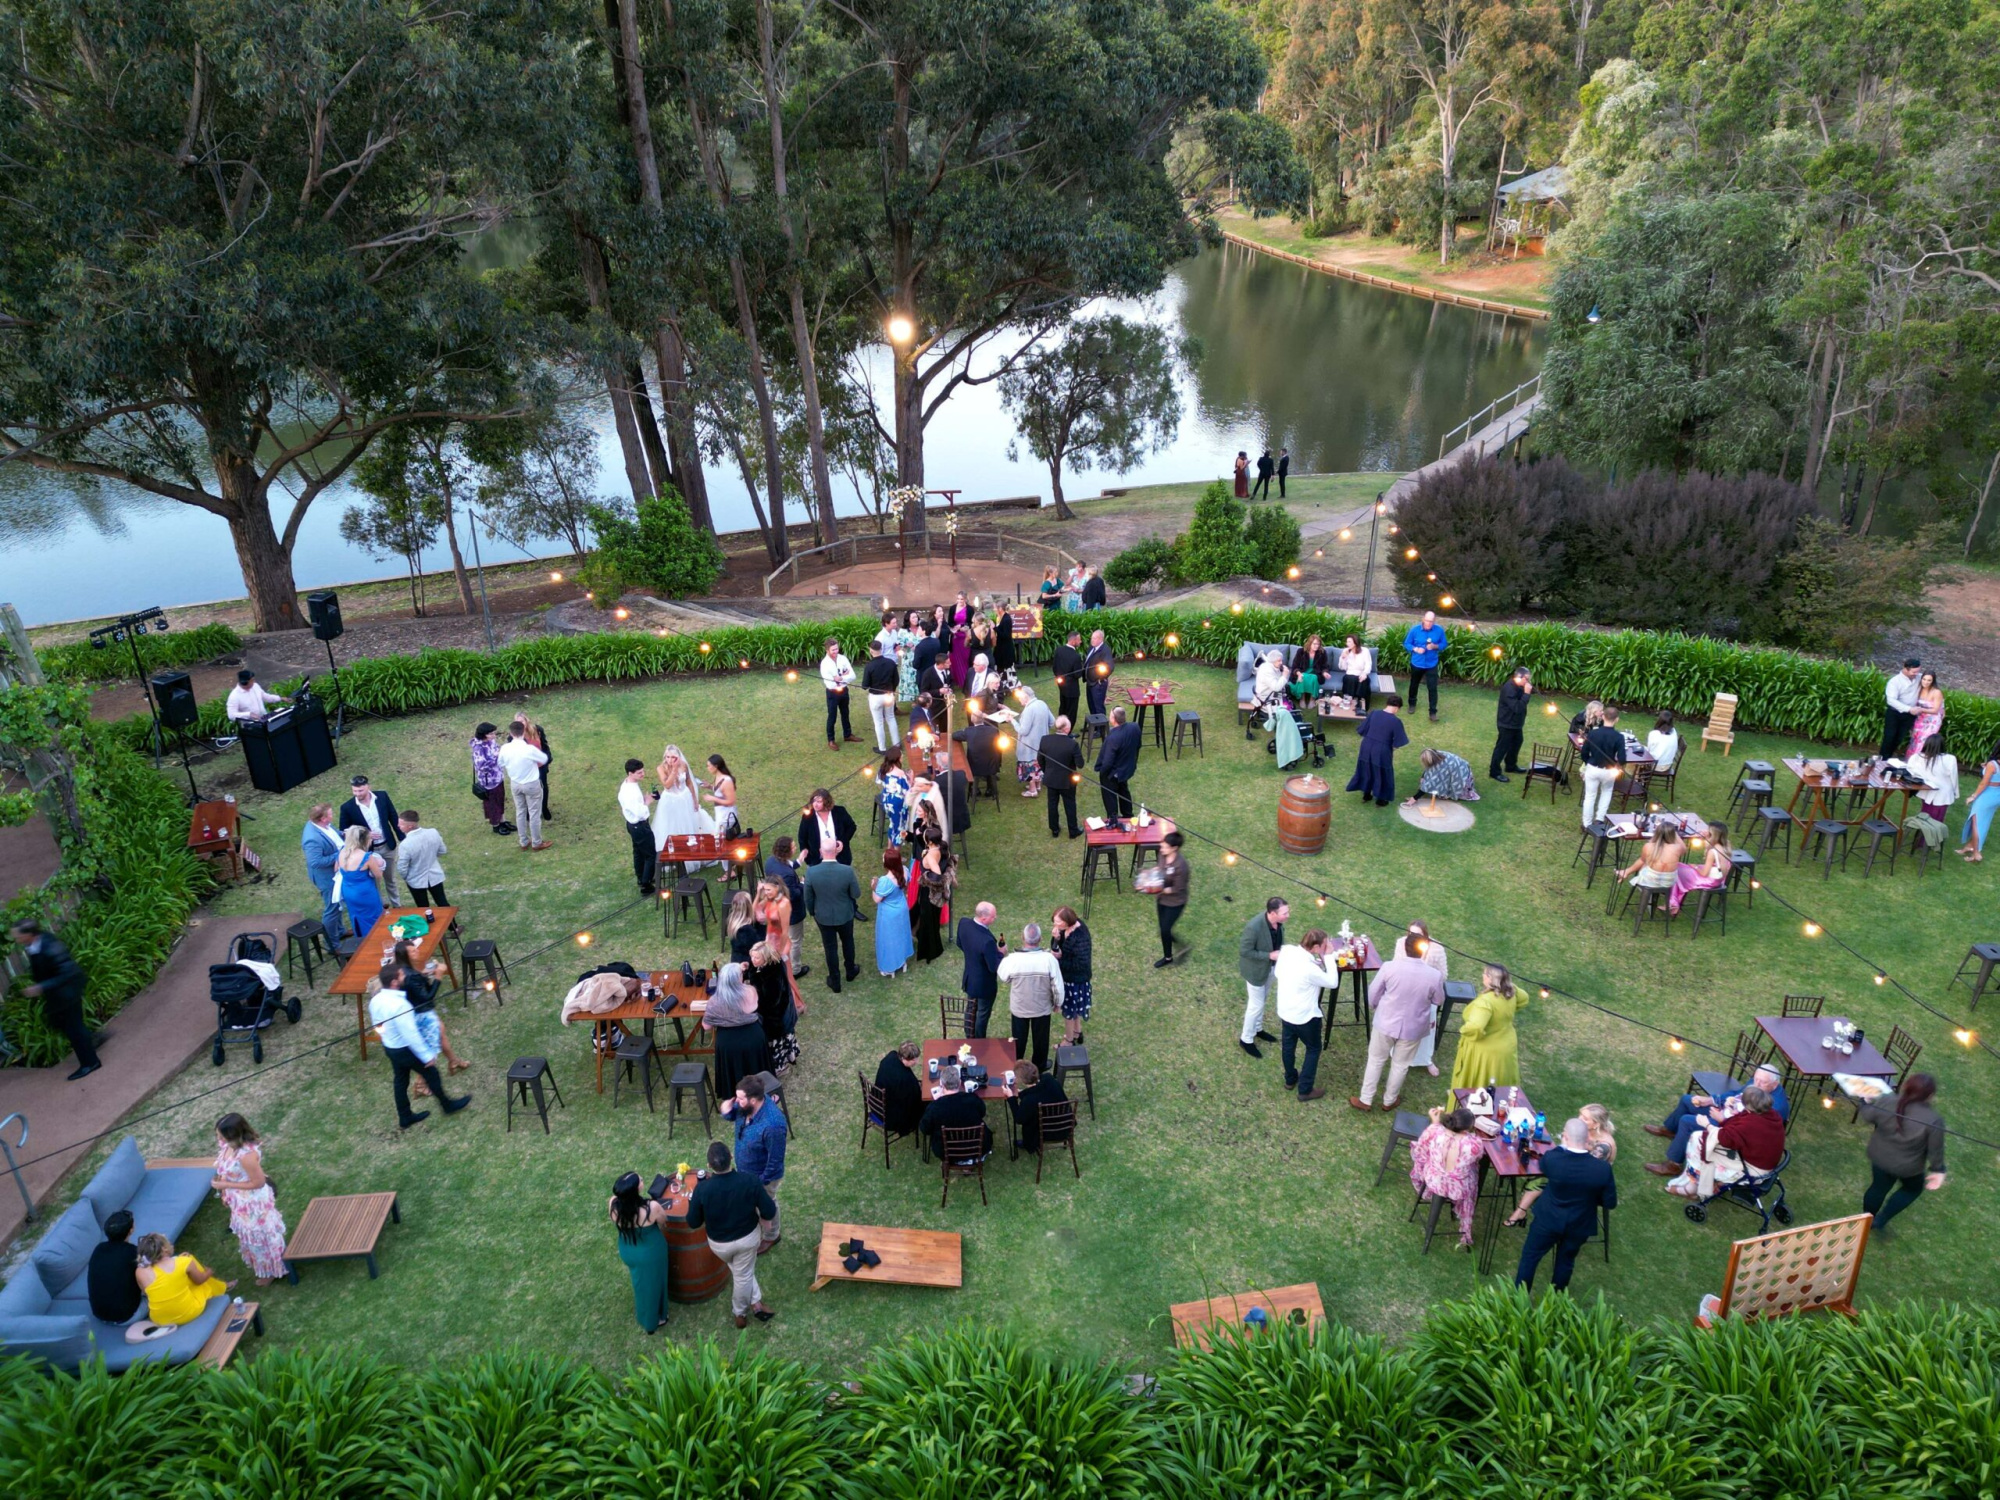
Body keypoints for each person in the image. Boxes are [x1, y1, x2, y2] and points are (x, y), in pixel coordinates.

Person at [1514, 1118, 1617, 1293]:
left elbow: (1544, 1164)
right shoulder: (1602, 1169)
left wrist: (1562, 1146)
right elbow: (1610, 1202)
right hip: (1579, 1223)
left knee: (1530, 1258)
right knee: (1566, 1261)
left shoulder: (1553, 1159)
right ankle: (1555, 1301)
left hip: (1548, 1220)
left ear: (1565, 1136)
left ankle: (1519, 1301)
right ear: (1587, 1140)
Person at [684, 1142, 777, 1328]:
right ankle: (740, 1313)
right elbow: (769, 1210)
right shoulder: (750, 1181)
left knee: (741, 1270)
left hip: (719, 1246)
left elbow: (693, 1222)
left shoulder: (702, 1190)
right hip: (747, 1241)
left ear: (709, 1166)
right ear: (732, 1158)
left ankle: (756, 1303)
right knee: (743, 1274)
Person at [1348, 935, 1446, 1111]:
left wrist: (1375, 1006)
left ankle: (1366, 1099)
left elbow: (1373, 993)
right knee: (1401, 1065)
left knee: (1376, 1060)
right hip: (1413, 1028)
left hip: (1385, 1022)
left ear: (1405, 948)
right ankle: (1389, 1100)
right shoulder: (1434, 975)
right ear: (1423, 950)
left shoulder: (1389, 967)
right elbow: (1439, 1000)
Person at [1845, 1072, 1946, 1235]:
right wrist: (1938, 1170)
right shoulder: (1933, 1119)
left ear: (1906, 1086)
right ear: (1930, 1096)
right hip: (1908, 1167)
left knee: (1878, 1188)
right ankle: (1880, 1219)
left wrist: (1865, 1101)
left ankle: (1866, 1220)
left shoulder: (1887, 1101)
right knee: (1912, 1189)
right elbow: (1935, 1149)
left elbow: (1867, 1115)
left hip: (1880, 1158)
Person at [370, 964, 469, 1127]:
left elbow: (378, 1024)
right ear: (395, 982)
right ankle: (447, 1105)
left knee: (400, 1081)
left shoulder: (376, 1000)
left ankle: (405, 1116)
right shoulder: (401, 1006)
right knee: (432, 1074)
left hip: (390, 1047)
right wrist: (426, 1055)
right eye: (401, 976)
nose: (404, 977)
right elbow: (411, 1034)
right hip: (404, 1048)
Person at [1644, 1064, 1790, 1171]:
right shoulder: (1758, 1083)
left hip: (1728, 1126)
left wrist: (1722, 1119)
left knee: (1687, 1121)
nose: (1756, 1084)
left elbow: (1745, 1130)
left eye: (1762, 1082)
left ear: (1775, 1084)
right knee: (1687, 1099)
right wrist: (1711, 1100)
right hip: (1725, 1111)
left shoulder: (1775, 1107)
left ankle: (1673, 1164)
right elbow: (1736, 1093)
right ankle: (1670, 1129)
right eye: (1756, 1079)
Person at [11, 919, 102, 1080]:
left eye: (18, 936)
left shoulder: (49, 947)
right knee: (58, 1022)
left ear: (29, 935)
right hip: (59, 994)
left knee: (73, 1028)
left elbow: (67, 972)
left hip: (68, 991)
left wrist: (41, 987)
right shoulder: (35, 944)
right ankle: (89, 1040)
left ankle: (90, 1062)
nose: (16, 939)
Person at [1661, 1084, 1785, 1199]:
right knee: (1704, 1141)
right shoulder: (1770, 1114)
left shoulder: (1751, 1123)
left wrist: (1707, 1123)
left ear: (1748, 1107)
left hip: (1752, 1170)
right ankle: (1705, 1186)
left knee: (1700, 1143)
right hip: (1758, 1160)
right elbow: (1737, 1130)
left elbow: (1725, 1138)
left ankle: (1692, 1189)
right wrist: (1722, 1119)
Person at [1506, 1104, 1615, 1227]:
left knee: (1544, 1175)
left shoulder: (1603, 1147)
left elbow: (1586, 1169)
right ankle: (1522, 1210)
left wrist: (1563, 1150)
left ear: (1596, 1124)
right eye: (1580, 1114)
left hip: (1587, 1185)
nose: (1579, 1119)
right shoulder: (1587, 1131)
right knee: (1543, 1169)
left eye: (1585, 1118)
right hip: (1575, 1169)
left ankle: (1526, 1212)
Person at [210, 1113, 287, 1284]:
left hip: (253, 1203)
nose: (218, 1138)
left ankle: (272, 1270)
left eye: (221, 1135)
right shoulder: (227, 1145)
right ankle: (263, 1267)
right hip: (238, 1201)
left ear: (233, 1135)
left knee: (260, 1236)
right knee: (249, 1237)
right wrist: (225, 1190)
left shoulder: (247, 1156)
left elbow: (258, 1182)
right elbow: (224, 1169)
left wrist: (227, 1186)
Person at [719, 1074, 787, 1251]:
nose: (736, 1101)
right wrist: (727, 1111)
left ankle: (772, 1235)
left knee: (768, 1203)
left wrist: (760, 1183)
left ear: (754, 1100)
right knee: (752, 1203)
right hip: (746, 1171)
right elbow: (733, 1114)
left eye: (740, 1099)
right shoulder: (746, 1106)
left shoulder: (773, 1125)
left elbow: (775, 1161)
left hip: (762, 1176)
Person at [1274, 929, 1342, 1102]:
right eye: (1326, 945)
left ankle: (1290, 1079)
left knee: (1288, 1047)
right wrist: (1328, 957)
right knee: (1313, 1049)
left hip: (1286, 1011)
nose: (1329, 947)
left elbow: (1277, 973)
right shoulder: (1309, 969)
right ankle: (1305, 1089)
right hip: (1305, 1017)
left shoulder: (1287, 952)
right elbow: (1332, 982)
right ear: (1316, 946)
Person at [127, 1233, 230, 1342]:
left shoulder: (139, 1272)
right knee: (197, 1276)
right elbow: (200, 1281)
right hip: (188, 1312)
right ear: (164, 1249)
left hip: (160, 1319)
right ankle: (222, 1288)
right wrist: (209, 1272)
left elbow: (147, 1293)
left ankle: (223, 1286)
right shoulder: (184, 1262)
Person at [1410, 1107, 1486, 1249]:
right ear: (1468, 1127)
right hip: (1458, 1188)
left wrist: (1435, 1122)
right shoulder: (1474, 1144)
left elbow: (1421, 1146)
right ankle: (1463, 1216)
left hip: (1434, 1179)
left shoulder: (1434, 1132)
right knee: (1474, 1172)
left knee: (1433, 1161)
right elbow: (1477, 1158)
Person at [608, 1172, 672, 1333]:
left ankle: (647, 1311)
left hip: (628, 1248)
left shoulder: (613, 1204)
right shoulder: (652, 1207)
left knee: (640, 1282)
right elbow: (664, 1222)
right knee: (655, 1283)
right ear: (637, 1189)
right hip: (650, 1253)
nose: (643, 1180)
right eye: (641, 1180)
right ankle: (654, 1320)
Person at [396, 939, 468, 1079]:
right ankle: (420, 1084)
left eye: (415, 948)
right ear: (405, 956)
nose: (417, 951)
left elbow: (416, 989)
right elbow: (427, 997)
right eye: (412, 951)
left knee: (440, 1033)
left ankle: (453, 1061)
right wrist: (438, 976)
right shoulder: (411, 976)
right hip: (421, 1014)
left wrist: (424, 975)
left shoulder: (406, 970)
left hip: (416, 1011)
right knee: (430, 1047)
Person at [998, 921, 1064, 1072]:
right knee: (1041, 1038)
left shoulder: (1013, 960)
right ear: (1040, 939)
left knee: (1018, 1037)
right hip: (1041, 1007)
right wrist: (1057, 1003)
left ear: (1023, 938)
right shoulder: (1049, 960)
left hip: (1019, 1007)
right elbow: (1058, 986)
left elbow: (1003, 976)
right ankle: (1040, 1064)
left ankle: (1017, 1062)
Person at [1450, 963, 1527, 1091]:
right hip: (1506, 1047)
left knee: (1479, 1082)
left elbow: (1475, 1027)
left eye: (1485, 974)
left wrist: (1463, 1030)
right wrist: (1507, 984)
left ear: (1491, 979)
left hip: (1485, 1053)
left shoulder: (1485, 1002)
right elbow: (1524, 998)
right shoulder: (1511, 993)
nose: (1482, 975)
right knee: (1500, 1084)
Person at [704, 962, 774, 1099]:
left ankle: (734, 1094)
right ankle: (760, 1092)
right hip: (753, 1038)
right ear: (738, 979)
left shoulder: (714, 1001)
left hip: (728, 1043)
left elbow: (706, 1027)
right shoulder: (750, 991)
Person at [803, 841, 863, 991]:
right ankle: (850, 971)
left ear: (820, 851)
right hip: (845, 914)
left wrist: (813, 911)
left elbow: (808, 898)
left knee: (830, 948)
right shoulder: (847, 871)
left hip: (823, 917)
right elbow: (856, 893)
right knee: (848, 941)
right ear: (836, 851)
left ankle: (835, 981)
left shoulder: (811, 872)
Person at [1394, 922, 1449, 1076]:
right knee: (1403, 1024)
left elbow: (1443, 975)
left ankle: (1425, 1059)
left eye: (1418, 935)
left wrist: (1427, 977)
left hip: (1427, 995)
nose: (1413, 938)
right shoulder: (1401, 944)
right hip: (1405, 992)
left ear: (1425, 935)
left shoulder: (1437, 949)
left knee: (1427, 1028)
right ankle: (1398, 1055)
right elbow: (1397, 966)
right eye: (1411, 934)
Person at [1237, 897, 1288, 1058]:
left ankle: (1257, 1029)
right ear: (1273, 913)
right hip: (1256, 972)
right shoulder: (1254, 927)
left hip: (1270, 969)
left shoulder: (1278, 924)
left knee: (1262, 1001)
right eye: (1284, 913)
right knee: (1256, 1005)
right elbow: (1245, 951)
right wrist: (1269, 955)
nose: (1288, 915)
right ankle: (1246, 1039)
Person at [339, 775, 403, 902]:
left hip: (387, 845)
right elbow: (345, 831)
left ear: (368, 787)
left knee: (391, 879)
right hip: (368, 851)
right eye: (355, 791)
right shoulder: (347, 807)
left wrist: (403, 838)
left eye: (361, 790)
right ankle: (381, 907)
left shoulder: (382, 797)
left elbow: (393, 816)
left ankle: (397, 905)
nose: (358, 794)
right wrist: (366, 834)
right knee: (374, 881)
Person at [652, 743, 715, 860]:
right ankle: (677, 855)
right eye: (667, 757)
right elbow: (667, 785)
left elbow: (689, 783)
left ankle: (692, 852)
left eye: (673, 757)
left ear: (678, 757)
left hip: (684, 798)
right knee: (672, 825)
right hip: (670, 801)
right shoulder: (661, 768)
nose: (670, 760)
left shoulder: (684, 765)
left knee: (689, 823)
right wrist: (674, 770)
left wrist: (694, 800)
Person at [1345, 694, 1409, 807]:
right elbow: (1399, 742)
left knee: (1366, 768)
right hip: (1382, 750)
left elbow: (1362, 730)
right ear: (1397, 707)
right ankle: (1381, 800)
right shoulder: (1396, 721)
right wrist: (1390, 748)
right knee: (1383, 773)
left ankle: (1366, 794)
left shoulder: (1374, 713)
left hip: (1366, 745)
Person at [747, 941, 800, 1072]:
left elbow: (771, 1002)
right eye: (752, 956)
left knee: (777, 1043)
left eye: (756, 958)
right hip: (775, 1014)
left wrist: (752, 1005)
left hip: (776, 1017)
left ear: (765, 957)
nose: (753, 960)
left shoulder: (773, 975)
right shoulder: (762, 966)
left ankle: (780, 1067)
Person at [499, 721, 551, 850]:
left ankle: (523, 841)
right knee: (534, 813)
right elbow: (544, 759)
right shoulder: (529, 749)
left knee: (520, 812)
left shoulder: (505, 748)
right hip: (531, 784)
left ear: (511, 733)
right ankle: (536, 842)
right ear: (523, 732)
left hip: (515, 783)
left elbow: (500, 763)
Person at [300, 804, 348, 943]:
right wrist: (340, 854)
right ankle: (332, 944)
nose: (332, 816)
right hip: (327, 878)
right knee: (332, 908)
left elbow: (334, 834)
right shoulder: (312, 838)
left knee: (338, 903)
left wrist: (344, 834)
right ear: (322, 818)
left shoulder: (325, 825)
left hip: (336, 872)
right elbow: (316, 862)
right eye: (330, 815)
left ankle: (340, 931)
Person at [87, 1209, 143, 1325]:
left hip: (99, 1315)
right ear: (131, 1230)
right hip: (127, 1316)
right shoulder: (133, 1252)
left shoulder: (99, 1249)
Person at [957, 901, 1004, 1037]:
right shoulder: (987, 941)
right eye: (993, 917)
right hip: (984, 985)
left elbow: (959, 943)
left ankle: (969, 1034)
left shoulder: (963, 923)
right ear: (984, 918)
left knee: (970, 1009)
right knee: (982, 1014)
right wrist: (1001, 953)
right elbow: (993, 966)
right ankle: (979, 1040)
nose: (995, 918)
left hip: (970, 979)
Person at [763, 837, 808, 978]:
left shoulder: (771, 861)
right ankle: (795, 969)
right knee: (794, 941)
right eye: (793, 847)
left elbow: (786, 867)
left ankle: (774, 960)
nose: (795, 848)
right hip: (791, 914)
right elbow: (794, 894)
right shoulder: (787, 874)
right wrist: (802, 883)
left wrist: (799, 861)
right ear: (786, 851)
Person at [1578, 705, 1628, 830]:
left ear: (1603, 717)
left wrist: (1588, 762)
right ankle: (1599, 819)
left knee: (1590, 796)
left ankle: (1586, 823)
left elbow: (1584, 752)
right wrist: (1618, 765)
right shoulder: (1619, 737)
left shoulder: (1594, 734)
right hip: (1609, 771)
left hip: (1593, 767)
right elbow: (1622, 758)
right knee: (1606, 792)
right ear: (1617, 719)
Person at [335, 826, 387, 941]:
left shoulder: (342, 851)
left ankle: (361, 940)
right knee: (373, 917)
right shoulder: (366, 857)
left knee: (357, 917)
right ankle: (376, 940)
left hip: (348, 891)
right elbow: (378, 875)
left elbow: (336, 868)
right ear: (363, 840)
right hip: (365, 893)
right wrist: (382, 863)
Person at [1050, 905, 1092, 1046]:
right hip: (1068, 977)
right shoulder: (1064, 929)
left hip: (1076, 980)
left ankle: (1068, 1040)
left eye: (1059, 922)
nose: (1056, 925)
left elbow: (1080, 964)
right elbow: (1057, 948)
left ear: (1068, 921)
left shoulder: (1080, 937)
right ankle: (1077, 1032)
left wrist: (1060, 959)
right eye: (1054, 922)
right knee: (1072, 1009)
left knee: (1068, 1010)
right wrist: (1055, 939)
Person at [1668, 822, 1731, 914]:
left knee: (1675, 870)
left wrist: (1695, 867)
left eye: (1708, 831)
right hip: (1719, 878)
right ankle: (1673, 900)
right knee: (1679, 865)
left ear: (1712, 835)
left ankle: (1673, 904)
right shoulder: (1725, 845)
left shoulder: (1713, 852)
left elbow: (1704, 874)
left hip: (1710, 879)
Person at [1008, 1059, 1069, 1154]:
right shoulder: (1048, 1078)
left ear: (1023, 1081)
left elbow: (1019, 1119)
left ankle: (1029, 1143)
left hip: (1050, 1131)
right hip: (1067, 1123)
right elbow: (1037, 1090)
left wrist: (1011, 1098)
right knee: (1033, 1114)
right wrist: (1020, 1094)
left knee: (1029, 1120)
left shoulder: (1029, 1101)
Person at [1039, 714, 1085, 838]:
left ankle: (1054, 829)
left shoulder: (1045, 740)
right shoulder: (1072, 744)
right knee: (1070, 804)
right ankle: (1073, 831)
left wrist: (1047, 771)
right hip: (1067, 781)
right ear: (1066, 729)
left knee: (1052, 804)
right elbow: (1080, 764)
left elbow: (1040, 760)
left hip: (1051, 779)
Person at [913, 830, 953, 966]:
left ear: (929, 842)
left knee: (928, 920)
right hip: (932, 893)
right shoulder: (941, 848)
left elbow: (937, 876)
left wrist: (926, 877)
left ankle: (930, 950)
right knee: (932, 920)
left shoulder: (931, 856)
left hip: (929, 893)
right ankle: (932, 946)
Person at [618, 759, 658, 895]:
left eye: (643, 771)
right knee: (650, 855)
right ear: (630, 773)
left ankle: (641, 878)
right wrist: (647, 802)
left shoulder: (628, 784)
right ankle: (646, 885)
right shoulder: (631, 793)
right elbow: (640, 812)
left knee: (638, 853)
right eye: (639, 773)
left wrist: (643, 801)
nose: (643, 774)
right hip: (640, 826)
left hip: (633, 826)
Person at [1614, 823, 1684, 899]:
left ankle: (1626, 872)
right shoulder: (1678, 848)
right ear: (1672, 835)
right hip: (1669, 882)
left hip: (1650, 881)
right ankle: (1626, 872)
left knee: (1645, 862)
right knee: (1650, 862)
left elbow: (1642, 860)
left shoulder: (1648, 846)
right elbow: (1684, 848)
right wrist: (1675, 833)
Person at [1096, 704, 1142, 821]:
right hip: (1126, 768)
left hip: (1113, 772)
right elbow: (1138, 745)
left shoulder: (1113, 738)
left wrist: (1102, 773)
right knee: (1123, 791)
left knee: (1109, 796)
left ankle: (1113, 819)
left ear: (1113, 719)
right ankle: (1128, 814)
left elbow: (1107, 762)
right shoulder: (1135, 727)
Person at [394, 811, 448, 911]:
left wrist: (407, 877)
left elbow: (402, 867)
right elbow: (442, 851)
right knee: (442, 902)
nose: (398, 826)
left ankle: (427, 926)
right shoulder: (433, 832)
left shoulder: (405, 845)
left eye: (401, 824)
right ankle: (454, 926)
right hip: (435, 875)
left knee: (423, 908)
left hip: (415, 880)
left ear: (409, 826)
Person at [874, 849, 915, 978]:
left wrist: (873, 887)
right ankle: (902, 961)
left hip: (888, 913)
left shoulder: (884, 881)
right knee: (901, 934)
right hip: (901, 908)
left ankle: (889, 967)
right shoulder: (905, 871)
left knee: (888, 939)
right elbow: (906, 885)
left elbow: (877, 899)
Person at [1152, 831, 1189, 968]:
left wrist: (1155, 887)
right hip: (1161, 899)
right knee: (1163, 929)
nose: (1162, 849)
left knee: (1164, 930)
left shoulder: (1181, 866)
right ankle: (1182, 946)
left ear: (1174, 848)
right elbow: (1159, 868)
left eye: (1165, 846)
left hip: (1175, 902)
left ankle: (1168, 958)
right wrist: (1149, 875)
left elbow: (1176, 888)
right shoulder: (1162, 854)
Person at [1958, 740, 2000, 861]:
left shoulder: (1992, 764)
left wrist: (1973, 796)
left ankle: (1976, 853)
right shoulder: (1992, 765)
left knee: (1976, 823)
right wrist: (1986, 768)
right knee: (1984, 822)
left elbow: (1984, 783)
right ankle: (1969, 846)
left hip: (1987, 796)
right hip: (1997, 795)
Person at [1403, 610, 1447, 721]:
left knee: (1432, 688)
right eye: (1427, 621)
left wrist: (1435, 646)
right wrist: (1416, 649)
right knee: (1414, 684)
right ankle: (1412, 704)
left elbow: (1444, 644)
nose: (1429, 623)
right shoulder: (1415, 630)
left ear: (1434, 621)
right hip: (1417, 663)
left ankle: (1433, 712)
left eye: (1431, 621)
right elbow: (1407, 643)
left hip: (1431, 664)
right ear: (1423, 619)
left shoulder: (1439, 630)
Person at [1490, 666, 1531, 782]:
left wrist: (1526, 693)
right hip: (1506, 723)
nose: (1528, 682)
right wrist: (1527, 694)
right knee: (1502, 747)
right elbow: (1517, 708)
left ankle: (1511, 766)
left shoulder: (1519, 686)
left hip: (1516, 723)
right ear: (1519, 677)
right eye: (1526, 679)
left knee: (1517, 742)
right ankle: (1494, 771)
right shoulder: (1509, 689)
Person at [469, 722, 512, 834]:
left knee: (500, 799)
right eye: (491, 733)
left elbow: (497, 749)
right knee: (493, 803)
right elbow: (481, 766)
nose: (494, 735)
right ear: (484, 735)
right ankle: (496, 825)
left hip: (497, 776)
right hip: (489, 781)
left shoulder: (490, 741)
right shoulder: (479, 748)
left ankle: (503, 821)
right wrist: (497, 758)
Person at [796, 787, 857, 867]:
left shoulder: (839, 811)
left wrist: (842, 841)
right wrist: (808, 859)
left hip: (841, 859)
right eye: (814, 801)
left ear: (827, 802)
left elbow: (851, 827)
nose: (815, 804)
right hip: (817, 861)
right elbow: (802, 838)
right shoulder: (808, 817)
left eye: (819, 802)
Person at [1908, 734, 1961, 823]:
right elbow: (1954, 778)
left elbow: (1910, 771)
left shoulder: (1916, 758)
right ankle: (1926, 836)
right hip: (1942, 794)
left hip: (1926, 792)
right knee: (1935, 821)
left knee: (1925, 815)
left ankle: (1922, 834)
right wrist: (1956, 793)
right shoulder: (1950, 759)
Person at [875, 1041, 925, 1134]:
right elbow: (915, 1099)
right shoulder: (905, 1079)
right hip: (890, 1113)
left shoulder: (891, 1056)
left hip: (878, 1101)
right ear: (906, 1058)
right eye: (914, 1060)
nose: (916, 1062)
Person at [1013, 685, 1054, 795]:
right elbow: (1052, 721)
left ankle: (1032, 790)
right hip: (1042, 742)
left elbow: (1023, 730)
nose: (1019, 700)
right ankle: (1038, 784)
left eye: (1020, 698)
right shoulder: (1042, 703)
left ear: (1026, 697)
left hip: (1029, 744)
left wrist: (1011, 720)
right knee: (1038, 763)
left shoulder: (1029, 709)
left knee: (1030, 765)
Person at [862, 639, 901, 753]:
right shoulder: (890, 663)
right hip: (889, 695)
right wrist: (891, 690)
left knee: (878, 722)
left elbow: (865, 685)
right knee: (891, 718)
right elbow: (896, 680)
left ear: (871, 650)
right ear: (881, 649)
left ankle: (882, 748)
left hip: (875, 697)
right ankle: (897, 744)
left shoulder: (869, 666)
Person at [819, 635, 858, 749]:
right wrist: (842, 678)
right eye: (833, 650)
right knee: (832, 716)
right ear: (827, 650)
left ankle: (848, 734)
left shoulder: (843, 659)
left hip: (844, 691)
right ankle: (831, 740)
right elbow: (829, 683)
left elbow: (852, 675)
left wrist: (840, 678)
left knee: (845, 713)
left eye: (837, 649)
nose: (836, 651)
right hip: (832, 693)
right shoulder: (825, 664)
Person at [953, 703, 1004, 786]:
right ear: (983, 719)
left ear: (972, 719)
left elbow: (954, 735)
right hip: (991, 765)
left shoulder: (969, 731)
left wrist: (963, 731)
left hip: (974, 766)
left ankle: (976, 790)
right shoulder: (993, 731)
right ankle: (990, 788)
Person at [1881, 657, 1922, 759]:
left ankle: (1889, 759)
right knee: (1889, 737)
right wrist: (1909, 709)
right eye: (1914, 672)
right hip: (1894, 714)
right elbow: (1891, 700)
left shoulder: (1919, 678)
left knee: (1899, 738)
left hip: (1909, 715)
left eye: (1918, 671)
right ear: (1906, 669)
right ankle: (1882, 760)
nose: (1916, 674)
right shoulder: (1894, 681)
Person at [1407, 748, 1478, 805]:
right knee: (1442, 782)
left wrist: (1414, 798)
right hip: (1458, 767)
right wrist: (1423, 777)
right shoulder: (1436, 754)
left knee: (1449, 786)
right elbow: (1428, 769)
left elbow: (1429, 785)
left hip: (1461, 772)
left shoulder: (1440, 767)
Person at [1051, 629, 1084, 726]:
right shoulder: (1076, 656)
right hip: (1072, 689)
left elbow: (1054, 667)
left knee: (1063, 707)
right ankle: (1067, 731)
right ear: (1073, 641)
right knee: (1071, 711)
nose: (1080, 641)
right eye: (1079, 640)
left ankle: (1060, 725)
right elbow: (1077, 674)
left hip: (1061, 685)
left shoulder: (1059, 650)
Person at [703, 754, 739, 836]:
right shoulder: (718, 777)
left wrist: (713, 798)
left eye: (709, 766)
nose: (707, 768)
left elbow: (731, 801)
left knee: (722, 840)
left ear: (716, 766)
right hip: (721, 815)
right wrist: (709, 786)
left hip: (726, 817)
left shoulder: (726, 781)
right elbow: (720, 791)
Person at [1337, 635, 1374, 710]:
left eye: (1349, 641)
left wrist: (1364, 673)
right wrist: (1343, 658)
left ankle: (1360, 704)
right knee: (1351, 679)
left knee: (1363, 681)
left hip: (1361, 673)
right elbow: (1342, 667)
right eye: (1347, 642)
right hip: (1350, 673)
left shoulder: (1365, 651)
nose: (1347, 644)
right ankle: (1350, 701)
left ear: (1355, 642)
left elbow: (1368, 664)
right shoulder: (1345, 651)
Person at [1084, 629, 1114, 718]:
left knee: (1098, 707)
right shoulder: (1091, 647)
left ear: (1100, 639)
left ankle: (1100, 729)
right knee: (1091, 705)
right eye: (1091, 638)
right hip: (1089, 682)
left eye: (1094, 638)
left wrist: (1100, 679)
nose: (1092, 640)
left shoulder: (1105, 650)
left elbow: (1110, 667)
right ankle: (1094, 725)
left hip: (1098, 683)